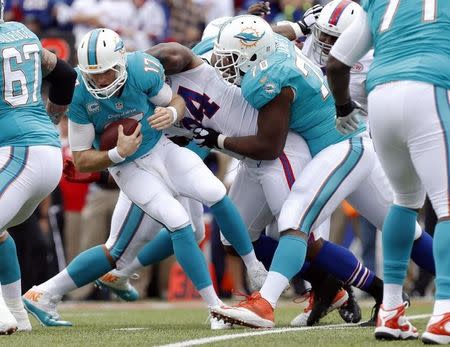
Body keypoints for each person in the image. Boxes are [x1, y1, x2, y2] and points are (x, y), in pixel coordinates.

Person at [22, 27, 266, 327]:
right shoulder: (81, 94)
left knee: (214, 191)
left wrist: (173, 115)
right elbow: (83, 158)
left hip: (161, 147)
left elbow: (175, 100)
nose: (99, 80)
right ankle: (215, 307)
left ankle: (254, 267)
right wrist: (116, 154)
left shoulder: (142, 69)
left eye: (106, 72)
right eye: (92, 73)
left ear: (121, 63)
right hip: (128, 167)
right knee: (176, 224)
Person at [204, 14, 433, 329]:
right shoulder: (275, 47)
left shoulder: (269, 77)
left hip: (341, 147)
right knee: (407, 231)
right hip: (352, 142)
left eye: (231, 58)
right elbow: (277, 32)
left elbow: (270, 146)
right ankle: (381, 296)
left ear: (255, 54)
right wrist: (298, 26)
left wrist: (215, 139)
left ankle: (264, 305)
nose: (225, 65)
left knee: (293, 219)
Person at [326, 0, 450, 343]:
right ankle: (445, 313)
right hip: (431, 88)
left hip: (380, 98)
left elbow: (336, 63)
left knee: (404, 200)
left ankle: (391, 310)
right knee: (447, 206)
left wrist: (342, 108)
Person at [0, 0, 77, 334]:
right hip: (45, 150)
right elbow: (66, 75)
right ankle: (16, 313)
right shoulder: (23, 34)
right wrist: (52, 120)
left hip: (18, 152)